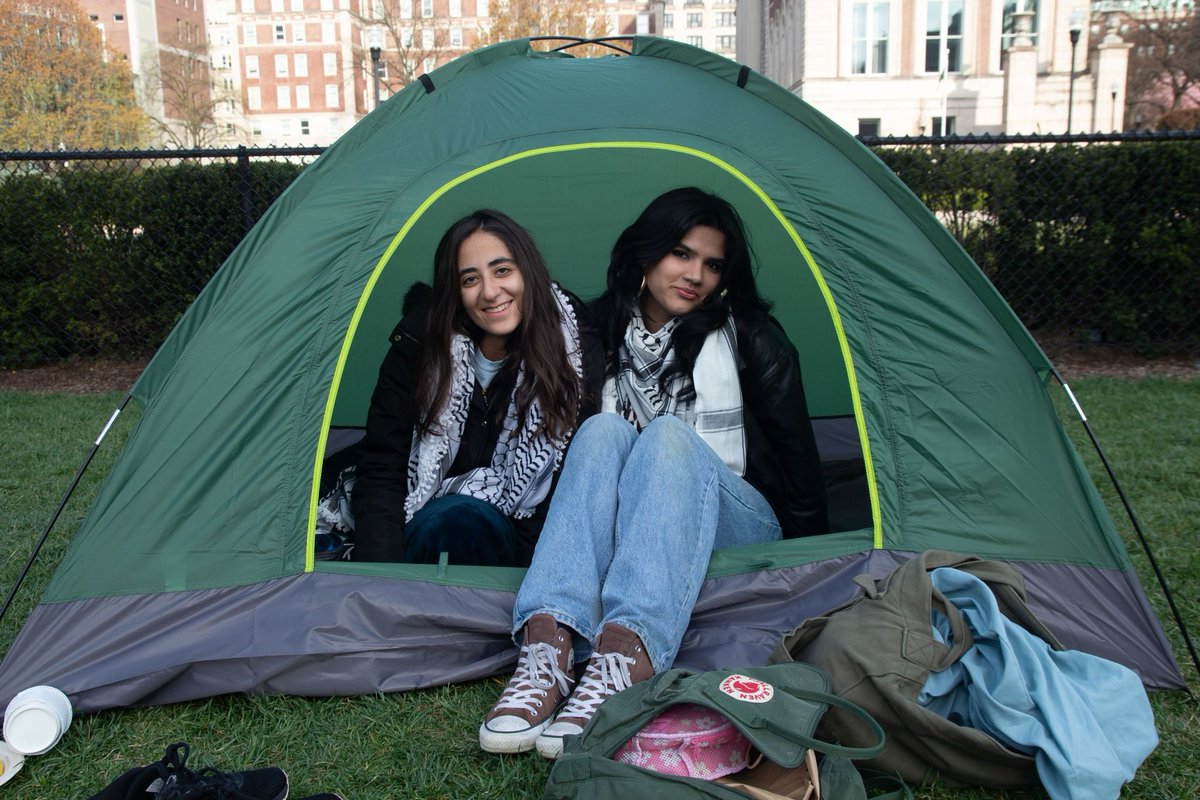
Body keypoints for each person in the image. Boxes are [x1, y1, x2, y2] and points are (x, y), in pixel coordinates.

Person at [479, 187, 829, 757]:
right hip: (634, 521)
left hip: (737, 519)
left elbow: (799, 463)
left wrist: (812, 572)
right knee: (601, 431)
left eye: (713, 264)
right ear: (646, 255)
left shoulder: (753, 338)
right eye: (681, 254)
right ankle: (549, 644)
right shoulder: (594, 334)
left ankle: (626, 655)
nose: (696, 274)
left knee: (667, 435)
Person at [351, 209, 602, 566]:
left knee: (465, 521)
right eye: (470, 279)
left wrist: (524, 587)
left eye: (503, 271)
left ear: (527, 272)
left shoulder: (573, 346)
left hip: (532, 538)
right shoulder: (420, 342)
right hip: (428, 522)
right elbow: (382, 465)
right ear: (454, 291)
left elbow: (566, 482)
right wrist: (381, 578)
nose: (489, 292)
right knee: (456, 521)